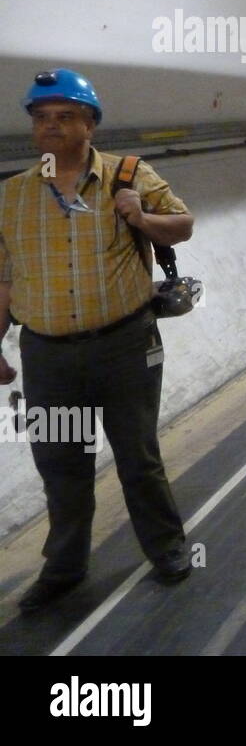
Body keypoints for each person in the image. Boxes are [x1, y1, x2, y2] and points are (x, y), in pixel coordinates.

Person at [0, 69, 196, 613]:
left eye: (65, 117)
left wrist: (142, 214)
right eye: (42, 118)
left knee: (137, 455)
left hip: (123, 347)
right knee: (61, 465)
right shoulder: (11, 196)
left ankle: (166, 548)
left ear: (91, 123)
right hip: (48, 356)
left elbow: (183, 225)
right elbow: (4, 278)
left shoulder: (129, 174)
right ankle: (64, 568)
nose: (51, 127)